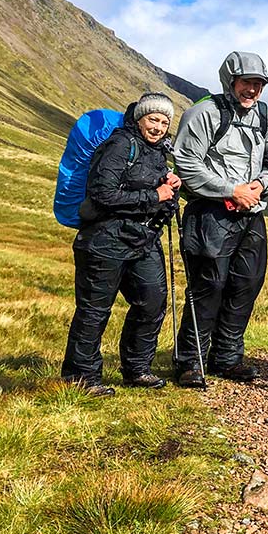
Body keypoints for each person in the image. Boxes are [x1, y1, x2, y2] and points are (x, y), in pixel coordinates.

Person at [172, 51, 268, 388]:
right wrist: (230, 190)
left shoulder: (266, 116)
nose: (253, 90)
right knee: (208, 286)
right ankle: (189, 362)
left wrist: (260, 185)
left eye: (259, 84)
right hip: (210, 214)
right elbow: (187, 165)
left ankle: (227, 358)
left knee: (246, 284)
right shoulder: (203, 114)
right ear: (231, 80)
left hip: (252, 214)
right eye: (247, 82)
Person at [61, 93, 180, 397]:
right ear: (139, 118)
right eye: (153, 119)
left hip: (141, 240)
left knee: (152, 303)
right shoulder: (118, 145)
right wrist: (155, 196)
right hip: (104, 241)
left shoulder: (157, 153)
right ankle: (80, 377)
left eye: (164, 122)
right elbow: (103, 194)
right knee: (94, 310)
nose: (158, 127)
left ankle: (137, 369)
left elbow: (159, 198)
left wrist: (169, 192)